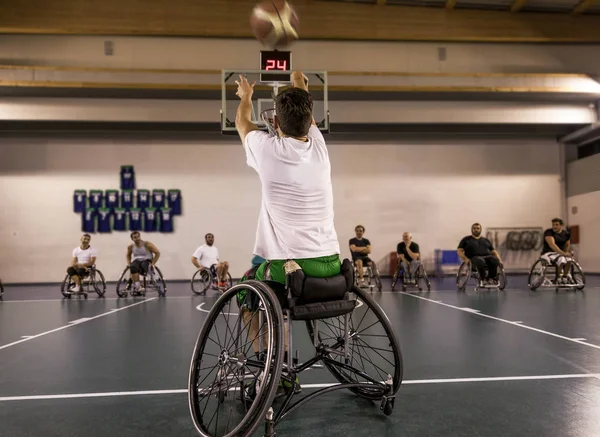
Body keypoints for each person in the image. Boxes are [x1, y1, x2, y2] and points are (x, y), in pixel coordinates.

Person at [235, 70, 341, 393]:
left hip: (293, 271)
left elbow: (242, 123)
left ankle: (269, 362)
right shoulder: (320, 149)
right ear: (311, 122)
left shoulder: (268, 150)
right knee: (271, 280)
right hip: (334, 266)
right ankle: (277, 362)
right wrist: (299, 81)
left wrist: (246, 97)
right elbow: (303, 107)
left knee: (246, 288)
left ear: (276, 126)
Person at [541, 218, 572, 283]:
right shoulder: (549, 232)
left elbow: (567, 245)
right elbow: (552, 245)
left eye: (556, 225)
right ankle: (558, 277)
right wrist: (563, 253)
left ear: (561, 225)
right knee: (561, 259)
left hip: (560, 253)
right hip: (548, 252)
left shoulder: (566, 234)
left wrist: (566, 252)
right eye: (553, 225)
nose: (554, 226)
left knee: (569, 260)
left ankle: (565, 276)